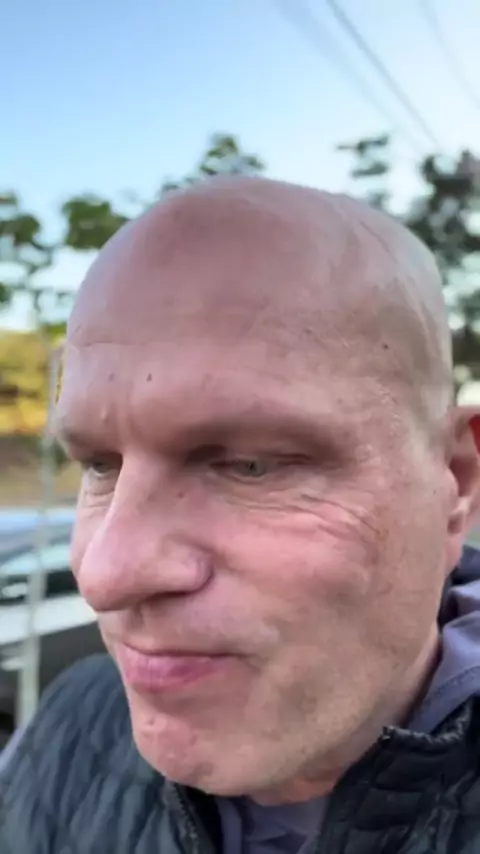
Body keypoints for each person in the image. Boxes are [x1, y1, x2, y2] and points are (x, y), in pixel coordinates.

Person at [1, 176, 480, 854]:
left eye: (251, 465)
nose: (104, 576)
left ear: (455, 482)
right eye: (100, 466)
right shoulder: (71, 718)